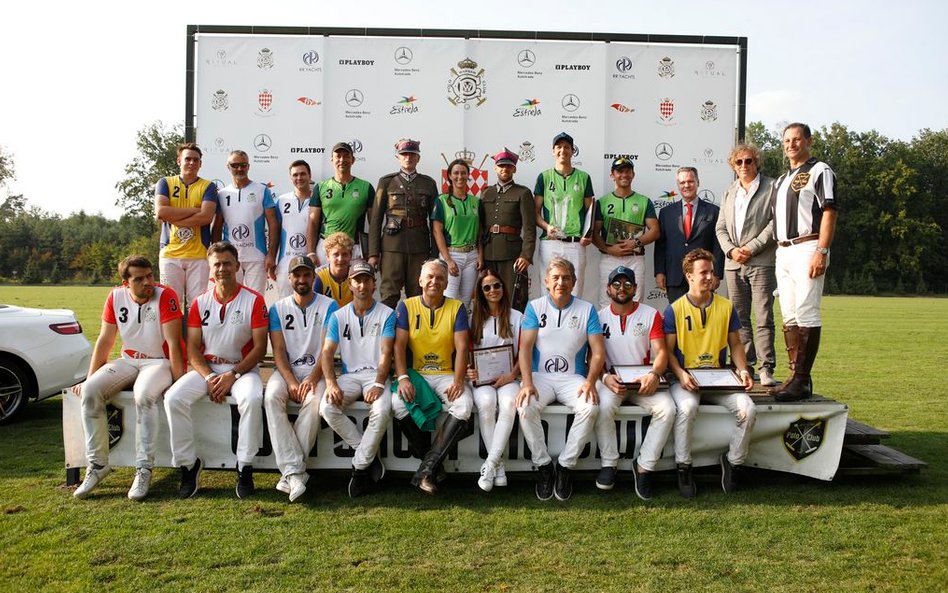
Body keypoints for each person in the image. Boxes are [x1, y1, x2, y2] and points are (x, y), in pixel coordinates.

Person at [72, 255, 185, 501]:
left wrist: (178, 384)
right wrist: (89, 378)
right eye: (139, 279)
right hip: (128, 359)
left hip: (159, 362)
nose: (148, 282)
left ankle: (143, 469)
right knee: (90, 391)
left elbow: (175, 344)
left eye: (150, 276)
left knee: (143, 396)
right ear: (126, 283)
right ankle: (98, 465)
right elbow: (105, 339)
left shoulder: (166, 295)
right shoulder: (115, 296)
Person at [164, 242, 269, 499]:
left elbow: (259, 348)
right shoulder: (199, 302)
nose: (222, 269)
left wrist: (232, 375)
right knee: (173, 398)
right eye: (217, 264)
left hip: (242, 370)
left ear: (237, 266)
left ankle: (244, 466)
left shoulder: (254, 300)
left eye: (227, 263)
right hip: (208, 369)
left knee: (252, 398)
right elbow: (192, 348)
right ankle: (188, 465)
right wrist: (210, 376)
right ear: (210, 269)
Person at [664, 249, 756, 497]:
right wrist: (680, 374)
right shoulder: (674, 310)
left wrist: (743, 370)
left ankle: (733, 462)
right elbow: (667, 352)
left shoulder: (726, 306)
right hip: (687, 379)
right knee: (686, 408)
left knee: (748, 410)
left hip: (718, 377)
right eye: (703, 272)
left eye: (711, 272)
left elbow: (735, 344)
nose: (709, 277)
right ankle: (684, 466)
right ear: (689, 276)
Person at [517, 256, 605, 501]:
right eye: (555, 278)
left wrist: (590, 382)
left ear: (574, 282)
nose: (561, 283)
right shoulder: (534, 307)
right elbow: (525, 348)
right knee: (525, 406)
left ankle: (565, 466)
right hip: (540, 376)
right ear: (546, 281)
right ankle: (544, 466)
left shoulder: (587, 309)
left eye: (566, 278)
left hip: (572, 378)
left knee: (590, 407)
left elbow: (598, 352)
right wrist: (527, 383)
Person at [593, 266, 675, 499]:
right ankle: (609, 463)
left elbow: (661, 352)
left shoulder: (650, 314)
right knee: (602, 406)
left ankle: (644, 466)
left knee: (668, 409)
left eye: (627, 284)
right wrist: (605, 377)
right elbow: (592, 356)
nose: (622, 288)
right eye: (616, 284)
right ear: (608, 289)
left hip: (643, 382)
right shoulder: (598, 317)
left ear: (635, 288)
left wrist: (654, 374)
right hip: (612, 381)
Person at [392, 259, 473, 493]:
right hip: (417, 374)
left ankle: (426, 469)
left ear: (447, 283)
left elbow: (462, 348)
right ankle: (432, 467)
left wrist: (458, 380)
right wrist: (403, 378)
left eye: (439, 278)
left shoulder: (456, 307)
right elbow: (398, 346)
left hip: (446, 373)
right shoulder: (406, 306)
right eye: (429, 277)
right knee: (397, 404)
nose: (434, 282)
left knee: (464, 404)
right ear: (420, 280)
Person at [770, 123, 838, 402]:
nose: (791, 145)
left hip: (808, 246)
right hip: (783, 250)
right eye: (787, 140)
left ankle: (800, 379)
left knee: (807, 312)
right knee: (789, 315)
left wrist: (822, 250)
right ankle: (796, 378)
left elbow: (829, 211)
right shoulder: (781, 180)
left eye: (797, 139)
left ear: (808, 141)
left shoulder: (820, 170)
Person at [264, 255, 337, 502]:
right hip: (288, 372)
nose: (302, 279)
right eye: (297, 275)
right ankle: (295, 472)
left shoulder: (329, 306)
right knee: (271, 397)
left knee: (315, 402)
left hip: (318, 371)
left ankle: (291, 472)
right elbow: (278, 351)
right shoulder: (277, 308)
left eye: (307, 275)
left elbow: (327, 350)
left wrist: (312, 379)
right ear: (289, 278)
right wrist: (292, 382)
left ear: (314, 277)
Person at [320, 261, 395, 498]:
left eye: (366, 280)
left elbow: (387, 352)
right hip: (350, 375)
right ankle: (368, 455)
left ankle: (360, 468)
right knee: (327, 408)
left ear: (374, 284)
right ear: (350, 284)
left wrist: (379, 383)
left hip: (376, 375)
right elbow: (327, 353)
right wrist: (331, 383)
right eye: (357, 280)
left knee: (382, 410)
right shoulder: (338, 315)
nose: (362, 285)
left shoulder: (387, 314)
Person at [715, 144, 779, 387]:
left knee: (764, 317)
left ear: (756, 162)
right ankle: (746, 365)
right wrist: (731, 250)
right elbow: (721, 227)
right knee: (739, 318)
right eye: (739, 162)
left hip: (761, 261)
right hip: (733, 263)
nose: (744, 165)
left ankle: (766, 367)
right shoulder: (729, 191)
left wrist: (751, 248)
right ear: (733, 165)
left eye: (748, 161)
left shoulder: (772, 187)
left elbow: (775, 223)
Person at [469, 269, 523, 492]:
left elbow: (525, 352)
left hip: (510, 377)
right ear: (481, 292)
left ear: (503, 287)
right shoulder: (472, 318)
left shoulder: (517, 317)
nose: (493, 290)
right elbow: (465, 350)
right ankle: (498, 468)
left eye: (497, 285)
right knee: (487, 403)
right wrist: (469, 371)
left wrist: (512, 374)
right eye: (487, 287)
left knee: (509, 404)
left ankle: (490, 464)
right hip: (482, 379)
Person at [368, 139, 439, 309]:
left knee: (418, 296)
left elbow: (435, 221)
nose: (408, 158)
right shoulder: (386, 182)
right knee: (389, 295)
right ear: (398, 157)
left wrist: (434, 254)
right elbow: (376, 220)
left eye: (412, 155)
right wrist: (373, 254)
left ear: (418, 158)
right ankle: (388, 327)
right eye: (404, 154)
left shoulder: (428, 184)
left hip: (419, 248)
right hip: (392, 247)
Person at [154, 143, 219, 310]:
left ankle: (193, 330)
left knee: (197, 306)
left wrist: (174, 217)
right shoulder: (165, 183)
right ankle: (174, 330)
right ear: (179, 161)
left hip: (198, 254)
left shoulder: (208, 186)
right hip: (170, 253)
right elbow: (161, 212)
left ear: (200, 163)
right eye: (187, 159)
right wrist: (194, 210)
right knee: (171, 305)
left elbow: (206, 217)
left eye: (196, 160)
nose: (191, 163)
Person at [592, 157, 660, 306]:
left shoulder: (644, 201)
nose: (624, 175)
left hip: (635, 258)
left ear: (633, 174)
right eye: (620, 171)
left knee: (635, 301)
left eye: (628, 171)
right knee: (606, 302)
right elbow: (594, 233)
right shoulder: (602, 202)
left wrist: (636, 242)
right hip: (609, 258)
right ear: (612, 175)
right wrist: (609, 249)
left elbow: (655, 231)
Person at [534, 132, 595, 296]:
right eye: (559, 147)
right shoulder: (544, 177)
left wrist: (588, 234)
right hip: (550, 242)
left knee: (575, 291)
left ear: (573, 151)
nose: (563, 150)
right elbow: (535, 213)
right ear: (553, 151)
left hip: (575, 243)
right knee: (548, 291)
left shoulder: (584, 177)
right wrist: (547, 226)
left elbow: (590, 212)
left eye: (567, 147)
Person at [655, 167, 724, 304]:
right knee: (678, 315)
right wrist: (659, 272)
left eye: (690, 181)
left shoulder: (714, 211)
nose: (686, 185)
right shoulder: (666, 213)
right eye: (682, 182)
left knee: (703, 314)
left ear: (698, 182)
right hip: (675, 276)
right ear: (678, 185)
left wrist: (716, 274)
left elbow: (717, 245)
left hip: (703, 276)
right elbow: (661, 245)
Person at [213, 150, 279, 295]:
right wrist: (215, 256)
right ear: (228, 167)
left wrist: (271, 254)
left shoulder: (262, 190)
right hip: (229, 257)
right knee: (230, 298)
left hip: (256, 257)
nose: (239, 169)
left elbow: (273, 224)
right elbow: (217, 226)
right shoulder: (222, 194)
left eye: (243, 165)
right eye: (235, 165)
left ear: (248, 166)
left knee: (255, 299)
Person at [478, 148, 536, 312]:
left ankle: (513, 328)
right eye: (501, 166)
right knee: (488, 297)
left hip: (512, 255)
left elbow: (530, 228)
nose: (505, 169)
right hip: (489, 253)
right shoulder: (486, 193)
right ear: (495, 168)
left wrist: (526, 255)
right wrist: (480, 255)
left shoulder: (523, 193)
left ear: (514, 169)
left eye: (509, 166)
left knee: (513, 299)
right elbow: (479, 227)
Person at [308, 142, 374, 263]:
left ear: (353, 160)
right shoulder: (321, 187)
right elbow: (313, 222)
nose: (342, 160)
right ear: (332, 160)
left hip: (354, 248)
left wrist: (374, 254)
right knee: (324, 277)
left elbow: (374, 224)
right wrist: (311, 252)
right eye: (338, 156)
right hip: (325, 247)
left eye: (346, 156)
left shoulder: (366, 187)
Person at [432, 158, 481, 310]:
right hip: (452, 255)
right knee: (449, 299)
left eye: (463, 173)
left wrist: (480, 255)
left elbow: (480, 231)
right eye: (456, 173)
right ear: (449, 176)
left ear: (468, 175)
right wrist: (448, 260)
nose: (460, 176)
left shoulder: (476, 201)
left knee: (465, 302)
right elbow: (437, 231)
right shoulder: (441, 200)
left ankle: (462, 327)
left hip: (472, 256)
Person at [274, 160, 315, 298]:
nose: (299, 178)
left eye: (303, 174)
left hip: (310, 263)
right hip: (285, 263)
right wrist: (272, 258)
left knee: (312, 304)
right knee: (285, 304)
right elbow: (275, 232)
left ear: (309, 175)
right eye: (295, 175)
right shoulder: (281, 200)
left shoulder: (318, 200)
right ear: (291, 177)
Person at [314, 231, 354, 307]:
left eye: (344, 254)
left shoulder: (356, 276)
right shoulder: (319, 277)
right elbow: (314, 307)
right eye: (336, 254)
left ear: (351, 255)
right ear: (328, 256)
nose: (340, 259)